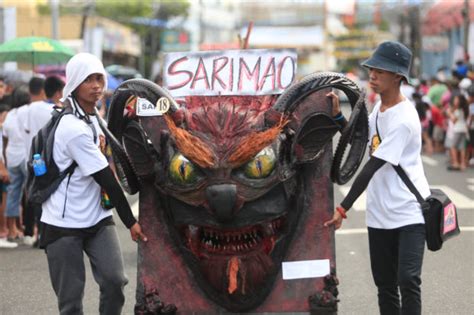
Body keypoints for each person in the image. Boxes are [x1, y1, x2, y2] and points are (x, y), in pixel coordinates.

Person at [325, 41, 430, 315]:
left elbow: (371, 166)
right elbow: (359, 139)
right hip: (379, 213)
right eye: (371, 69)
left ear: (398, 76)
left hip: (408, 213)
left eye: (380, 71)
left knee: (407, 280)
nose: (373, 75)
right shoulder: (378, 109)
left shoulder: (404, 119)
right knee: (384, 285)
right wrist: (338, 116)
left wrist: (342, 208)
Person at [39, 53, 147, 314]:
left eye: (100, 78)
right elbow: (106, 179)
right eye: (89, 79)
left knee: (114, 281)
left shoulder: (95, 117)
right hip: (63, 225)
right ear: (75, 82)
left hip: (97, 217)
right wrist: (131, 222)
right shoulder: (72, 128)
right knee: (71, 302)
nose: (97, 85)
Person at [22, 76, 65, 246]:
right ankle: (44, 233)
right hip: (50, 159)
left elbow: (26, 129)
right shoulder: (56, 110)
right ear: (57, 92)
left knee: (34, 192)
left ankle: (34, 232)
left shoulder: (30, 108)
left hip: (33, 157)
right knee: (48, 194)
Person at [2, 84, 31, 241]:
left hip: (11, 157)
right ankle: (31, 228)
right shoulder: (28, 112)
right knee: (30, 194)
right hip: (26, 157)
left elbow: (5, 135)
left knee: (13, 194)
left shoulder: (9, 114)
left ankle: (12, 229)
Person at [446, 93, 469, 171]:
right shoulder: (465, 109)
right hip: (464, 129)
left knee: (453, 146)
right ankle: (463, 163)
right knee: (462, 147)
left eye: (456, 100)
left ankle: (456, 163)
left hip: (458, 129)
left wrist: (449, 113)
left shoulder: (458, 110)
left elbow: (454, 120)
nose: (455, 101)